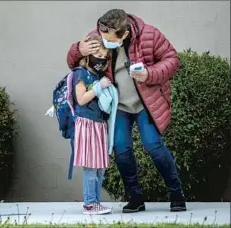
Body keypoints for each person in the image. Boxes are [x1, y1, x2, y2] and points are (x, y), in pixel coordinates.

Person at [66, 9, 187, 213]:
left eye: (110, 40)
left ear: (125, 34)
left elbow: (172, 60)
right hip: (118, 106)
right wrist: (79, 48)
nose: (105, 42)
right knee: (121, 149)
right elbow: (73, 63)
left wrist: (149, 73)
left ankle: (176, 193)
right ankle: (135, 198)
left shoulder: (149, 35)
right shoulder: (99, 36)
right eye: (103, 36)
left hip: (145, 103)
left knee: (153, 146)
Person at [71, 35, 113, 215]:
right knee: (91, 166)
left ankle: (95, 202)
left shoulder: (97, 74)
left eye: (104, 57)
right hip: (87, 124)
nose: (101, 59)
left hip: (98, 124)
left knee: (100, 167)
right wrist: (99, 87)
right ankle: (90, 203)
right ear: (87, 54)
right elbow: (80, 100)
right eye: (97, 54)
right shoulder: (80, 73)